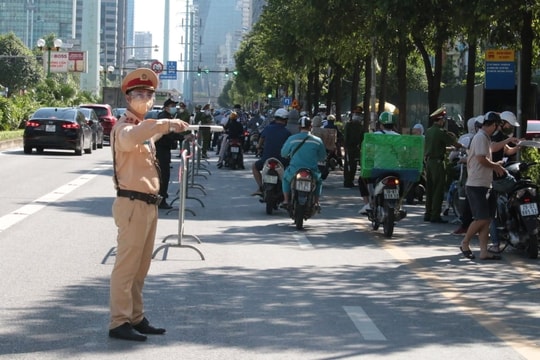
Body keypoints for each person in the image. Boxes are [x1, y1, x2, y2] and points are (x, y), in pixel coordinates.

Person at [109, 68, 190, 341]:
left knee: (141, 267)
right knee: (127, 266)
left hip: (148, 205)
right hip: (132, 203)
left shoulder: (143, 130)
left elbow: (149, 135)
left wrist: (172, 127)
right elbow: (137, 135)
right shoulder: (124, 129)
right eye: (139, 94)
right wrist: (166, 123)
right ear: (128, 98)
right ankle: (119, 320)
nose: (144, 98)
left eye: (148, 94)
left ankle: (136, 316)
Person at [460, 111, 506, 260]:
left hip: (485, 183)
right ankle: (465, 243)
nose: (497, 129)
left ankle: (483, 252)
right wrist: (496, 166)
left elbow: (485, 158)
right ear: (493, 125)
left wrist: (495, 164)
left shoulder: (485, 137)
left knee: (487, 219)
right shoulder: (481, 137)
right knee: (482, 218)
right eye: (497, 126)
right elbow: (481, 159)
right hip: (476, 184)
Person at [488, 110, 521, 252]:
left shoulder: (500, 135)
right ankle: (496, 243)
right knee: (492, 213)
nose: (510, 127)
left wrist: (520, 145)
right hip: (494, 177)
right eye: (509, 125)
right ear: (502, 123)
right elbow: (494, 147)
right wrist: (508, 140)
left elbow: (507, 151)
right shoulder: (492, 135)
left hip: (500, 176)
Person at [424, 107, 463, 223]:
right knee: (438, 190)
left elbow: (435, 145)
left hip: (429, 163)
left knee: (430, 189)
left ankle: (428, 213)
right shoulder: (440, 132)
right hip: (437, 163)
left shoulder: (429, 131)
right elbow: (455, 143)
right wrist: (462, 146)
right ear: (441, 120)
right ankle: (435, 215)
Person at [280, 116, 327, 208]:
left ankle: (285, 200)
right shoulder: (317, 141)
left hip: (294, 170)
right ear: (311, 127)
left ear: (299, 127)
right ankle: (316, 202)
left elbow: (283, 153)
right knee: (318, 181)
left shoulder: (292, 139)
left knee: (285, 178)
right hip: (312, 171)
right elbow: (322, 157)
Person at [360, 111, 400, 214]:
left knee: (362, 179)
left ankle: (368, 204)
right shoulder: (399, 137)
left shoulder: (375, 135)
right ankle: (398, 205)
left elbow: (366, 149)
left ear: (381, 124)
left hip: (378, 169)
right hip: (395, 170)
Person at [251, 108, 291, 195]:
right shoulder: (287, 133)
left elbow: (260, 140)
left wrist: (258, 146)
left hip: (267, 159)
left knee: (254, 166)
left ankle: (261, 188)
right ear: (286, 120)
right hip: (282, 161)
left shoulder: (268, 128)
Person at [155, 98, 181, 209]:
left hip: (164, 148)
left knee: (163, 174)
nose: (174, 108)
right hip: (161, 149)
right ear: (166, 107)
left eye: (175, 106)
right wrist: (183, 137)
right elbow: (169, 133)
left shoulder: (167, 117)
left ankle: (161, 198)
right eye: (172, 106)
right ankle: (161, 199)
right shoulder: (164, 118)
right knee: (163, 175)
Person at [343, 106, 364, 188]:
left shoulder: (360, 126)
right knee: (348, 164)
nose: (357, 115)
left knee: (354, 164)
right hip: (349, 147)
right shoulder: (348, 125)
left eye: (359, 114)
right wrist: (345, 146)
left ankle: (351, 180)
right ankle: (347, 181)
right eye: (356, 114)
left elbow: (362, 137)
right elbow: (346, 137)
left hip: (357, 148)